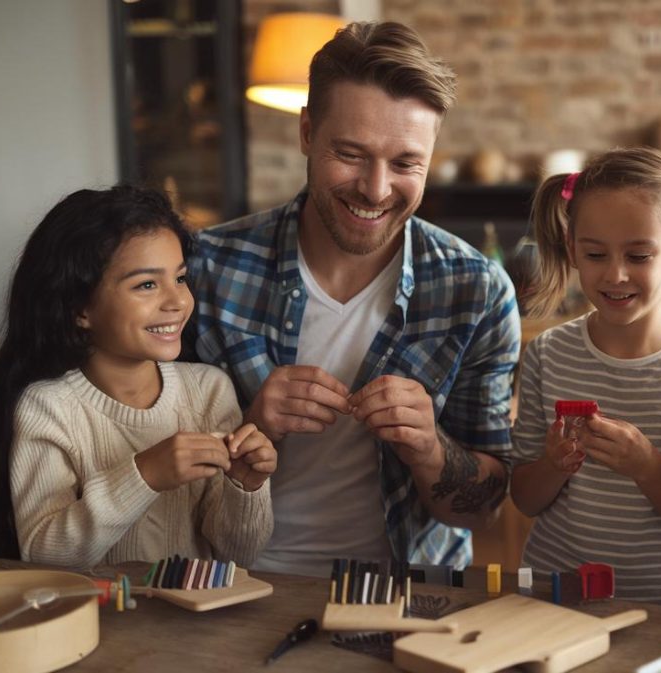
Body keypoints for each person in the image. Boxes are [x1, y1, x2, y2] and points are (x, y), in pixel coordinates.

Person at [186, 21, 520, 574]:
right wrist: (252, 423)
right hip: (233, 585)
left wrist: (429, 450)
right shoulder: (206, 268)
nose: (375, 188)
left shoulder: (476, 291)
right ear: (307, 133)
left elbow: (480, 512)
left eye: (406, 163)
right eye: (351, 153)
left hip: (410, 593)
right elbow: (147, 476)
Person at [0, 186, 275, 567]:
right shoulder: (48, 407)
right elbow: (45, 556)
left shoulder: (208, 391)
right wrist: (145, 475)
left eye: (180, 278)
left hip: (195, 623)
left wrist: (245, 486)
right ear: (80, 307)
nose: (177, 302)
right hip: (97, 623)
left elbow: (240, 554)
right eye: (146, 284)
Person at [510, 147, 661, 607]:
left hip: (654, 610)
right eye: (595, 253)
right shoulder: (548, 355)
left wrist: (645, 465)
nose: (615, 274)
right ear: (572, 248)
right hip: (548, 602)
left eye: (638, 255)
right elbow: (524, 500)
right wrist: (553, 465)